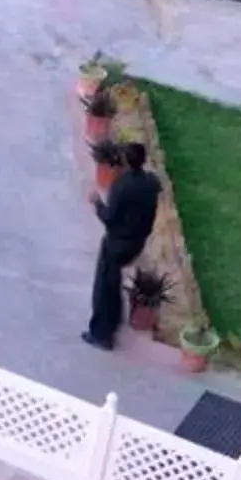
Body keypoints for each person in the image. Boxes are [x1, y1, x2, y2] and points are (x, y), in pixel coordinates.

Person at [83, 141, 162, 349]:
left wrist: (97, 202)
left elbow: (110, 217)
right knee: (114, 280)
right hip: (136, 243)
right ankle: (115, 319)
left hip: (117, 244)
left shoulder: (123, 185)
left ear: (126, 161)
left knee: (104, 288)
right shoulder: (151, 184)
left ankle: (101, 334)